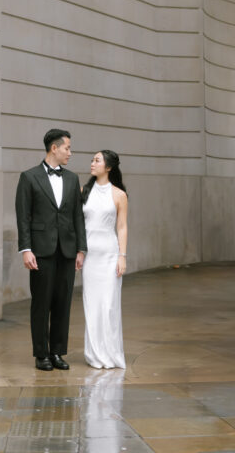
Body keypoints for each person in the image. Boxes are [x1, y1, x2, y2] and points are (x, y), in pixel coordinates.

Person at [15, 128, 87, 371]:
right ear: (54, 148)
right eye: (67, 148)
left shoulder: (72, 178)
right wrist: (26, 249)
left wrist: (81, 249)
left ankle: (57, 352)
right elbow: (23, 217)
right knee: (41, 302)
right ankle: (41, 354)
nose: (70, 152)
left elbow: (78, 216)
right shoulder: (29, 177)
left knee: (63, 303)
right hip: (41, 250)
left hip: (67, 250)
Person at [81, 149, 128, 369]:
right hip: (90, 257)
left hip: (110, 255)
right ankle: (94, 354)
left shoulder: (119, 195)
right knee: (92, 305)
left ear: (108, 167)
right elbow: (78, 224)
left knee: (109, 306)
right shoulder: (84, 191)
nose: (92, 163)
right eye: (92, 160)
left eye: (97, 160)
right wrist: (79, 253)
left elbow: (122, 227)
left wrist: (122, 256)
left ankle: (110, 353)